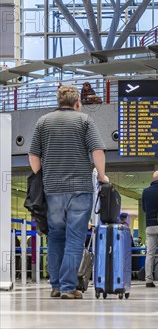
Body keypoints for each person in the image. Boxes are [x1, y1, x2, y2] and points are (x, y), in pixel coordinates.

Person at [28, 85, 108, 299]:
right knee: (75, 238)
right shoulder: (85, 121)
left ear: (59, 102)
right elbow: (97, 151)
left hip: (52, 190)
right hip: (80, 189)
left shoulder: (43, 121)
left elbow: (34, 156)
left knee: (55, 235)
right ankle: (67, 287)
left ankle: (55, 285)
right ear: (77, 103)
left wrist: (42, 176)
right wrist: (101, 175)